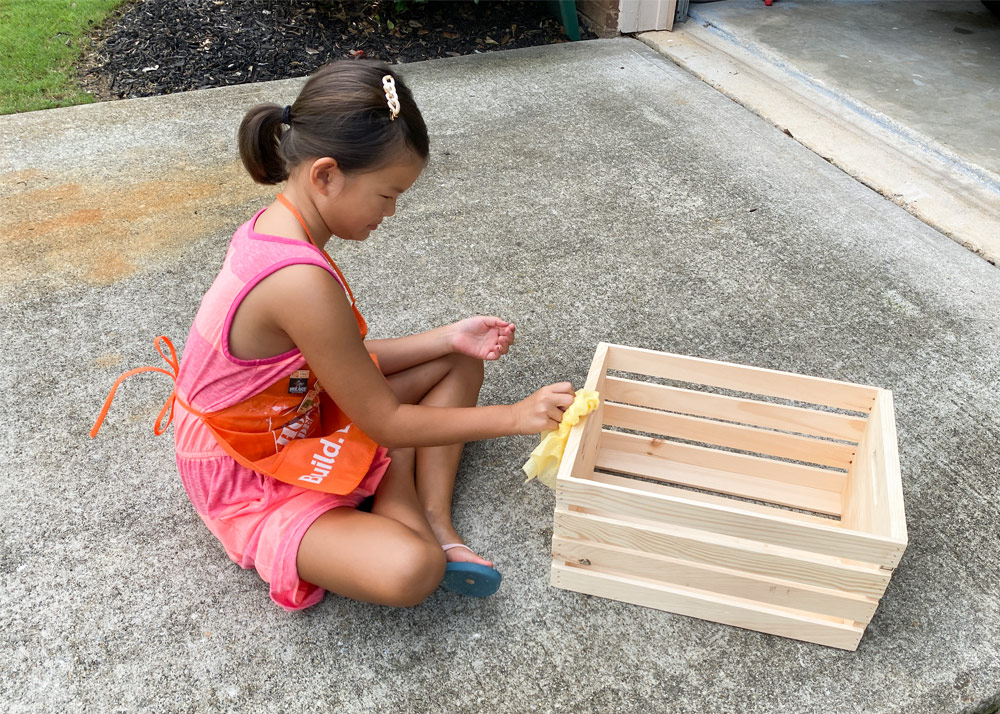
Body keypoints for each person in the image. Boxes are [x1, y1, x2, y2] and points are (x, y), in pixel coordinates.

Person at [93, 60, 575, 612]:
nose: (391, 212)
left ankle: (435, 518)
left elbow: (331, 358)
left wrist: (445, 338)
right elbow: (382, 416)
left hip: (289, 409)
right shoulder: (298, 280)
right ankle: (407, 496)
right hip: (250, 462)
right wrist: (519, 416)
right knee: (412, 569)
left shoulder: (277, 228)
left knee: (459, 362)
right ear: (325, 174)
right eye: (387, 195)